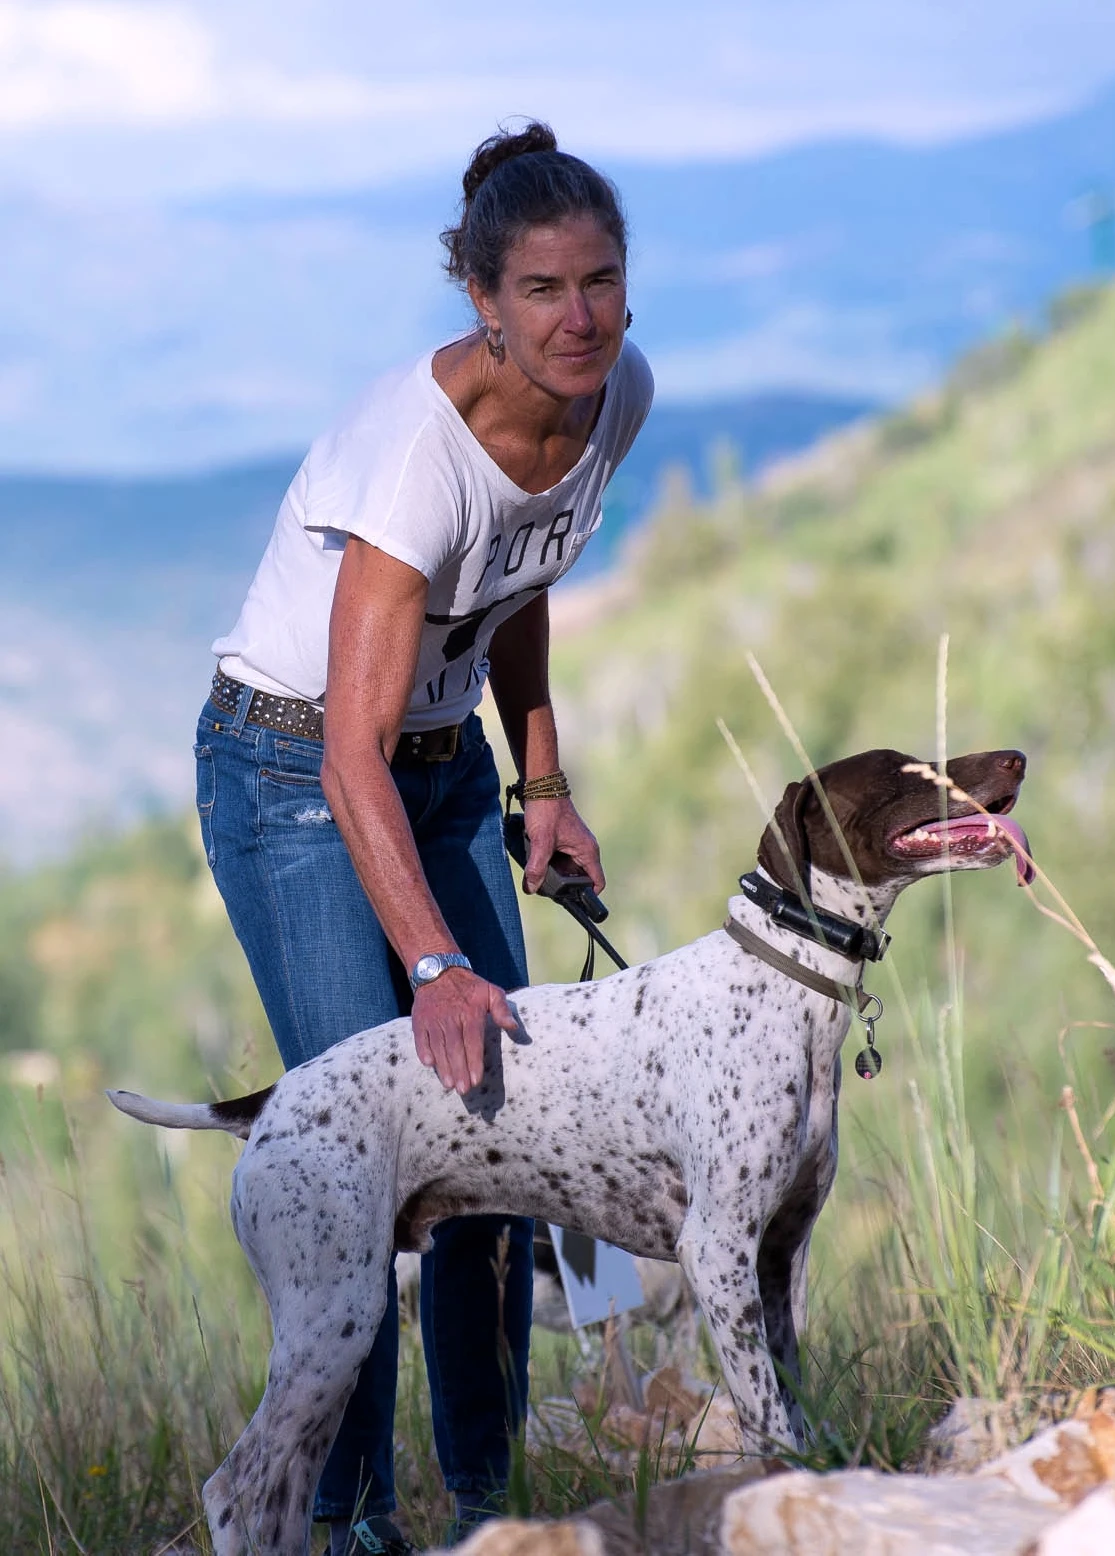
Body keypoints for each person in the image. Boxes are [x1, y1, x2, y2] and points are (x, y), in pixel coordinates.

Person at [194, 121, 653, 1553]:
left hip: (446, 767)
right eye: (541, 291)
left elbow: (519, 577)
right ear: (481, 300)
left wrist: (543, 781)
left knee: (499, 1142)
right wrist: (440, 962)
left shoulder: (613, 396)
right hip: (293, 772)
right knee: (371, 1152)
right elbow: (347, 752)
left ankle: (482, 1513)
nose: (578, 318)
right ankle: (341, 1523)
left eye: (602, 280)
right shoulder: (410, 461)